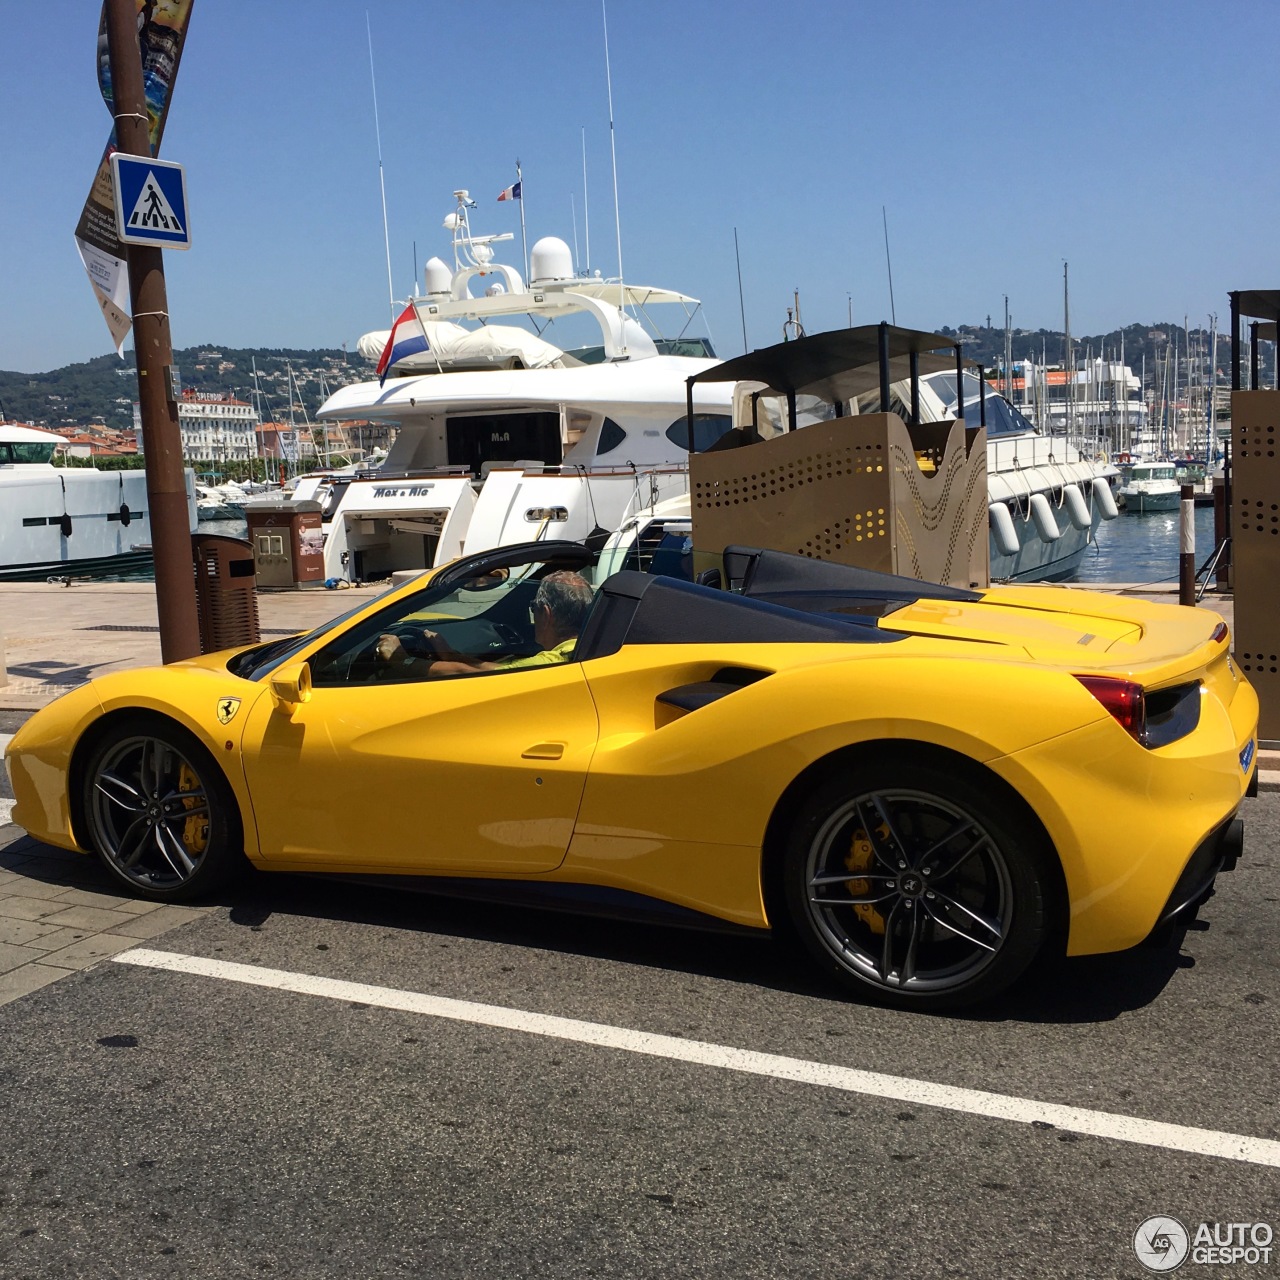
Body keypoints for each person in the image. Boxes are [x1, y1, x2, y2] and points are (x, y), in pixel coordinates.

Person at [375, 570, 594, 677]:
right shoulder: (586, 647)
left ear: (546, 614)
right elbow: (495, 667)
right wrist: (450, 654)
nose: (533, 614)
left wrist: (401, 660)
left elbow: (468, 674)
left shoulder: (551, 662)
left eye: (533, 607)